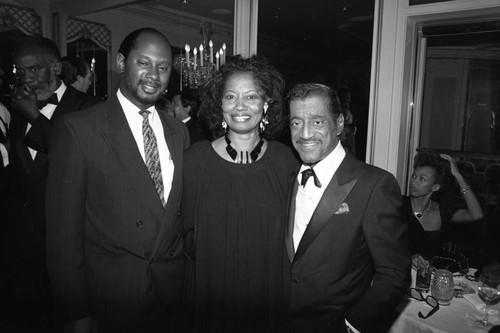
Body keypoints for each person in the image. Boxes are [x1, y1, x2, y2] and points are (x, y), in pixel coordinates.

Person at [45, 28, 189, 333]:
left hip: (171, 298)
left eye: (163, 67)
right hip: (111, 302)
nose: (154, 75)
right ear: (122, 62)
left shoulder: (179, 132)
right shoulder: (79, 129)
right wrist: (76, 312)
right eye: (144, 63)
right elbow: (62, 235)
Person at [182, 55, 299, 332]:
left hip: (269, 298)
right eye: (231, 96)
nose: (240, 106)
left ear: (266, 104)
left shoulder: (287, 161)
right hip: (212, 296)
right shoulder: (194, 161)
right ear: (219, 104)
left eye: (252, 96)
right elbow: (182, 234)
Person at [286, 83, 411, 333]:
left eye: (317, 122)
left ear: (339, 124)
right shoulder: (286, 176)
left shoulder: (374, 184)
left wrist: (352, 325)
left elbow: (395, 275)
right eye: (296, 122)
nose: (305, 133)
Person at [4, 35, 98, 329]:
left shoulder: (88, 107)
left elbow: (79, 162)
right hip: (22, 248)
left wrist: (35, 115)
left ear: (56, 67)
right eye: (20, 71)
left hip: (67, 245)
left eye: (34, 70)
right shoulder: (16, 107)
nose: (26, 78)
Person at [404, 152, 483, 260]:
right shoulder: (397, 205)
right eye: (414, 176)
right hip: (401, 272)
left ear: (435, 187)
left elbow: (476, 215)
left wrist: (458, 177)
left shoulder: (442, 210)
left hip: (433, 273)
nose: (413, 182)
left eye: (422, 179)